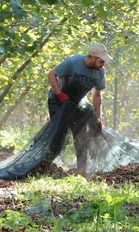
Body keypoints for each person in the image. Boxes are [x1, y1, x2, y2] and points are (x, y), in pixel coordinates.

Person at [45, 43, 112, 173]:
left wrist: (99, 117)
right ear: (92, 57)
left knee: (81, 134)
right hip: (58, 101)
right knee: (59, 133)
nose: (103, 65)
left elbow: (97, 95)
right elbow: (51, 75)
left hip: (77, 103)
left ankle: (81, 170)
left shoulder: (100, 72)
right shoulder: (72, 62)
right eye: (101, 61)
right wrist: (59, 94)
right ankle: (47, 165)